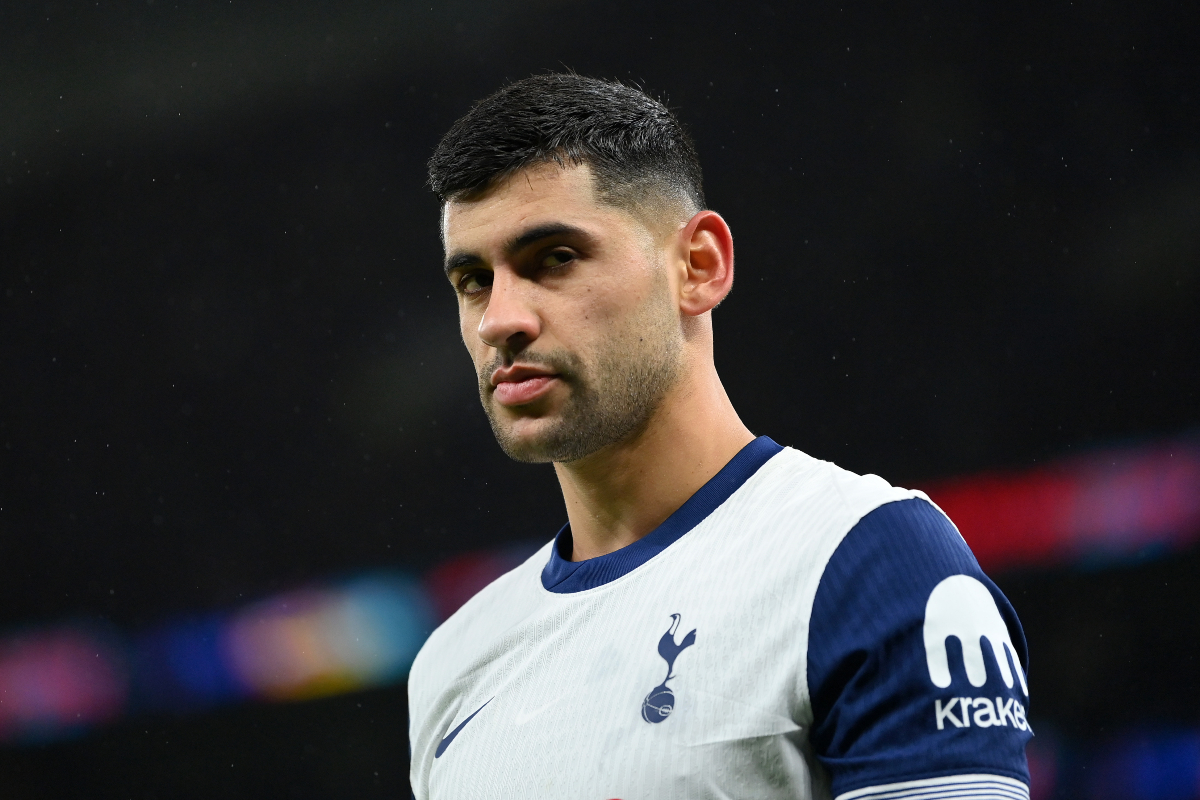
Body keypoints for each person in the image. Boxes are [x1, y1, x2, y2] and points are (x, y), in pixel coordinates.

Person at [408, 73, 1032, 800]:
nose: (499, 320)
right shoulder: (455, 663)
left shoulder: (865, 561)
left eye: (555, 258)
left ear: (698, 266)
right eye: (473, 279)